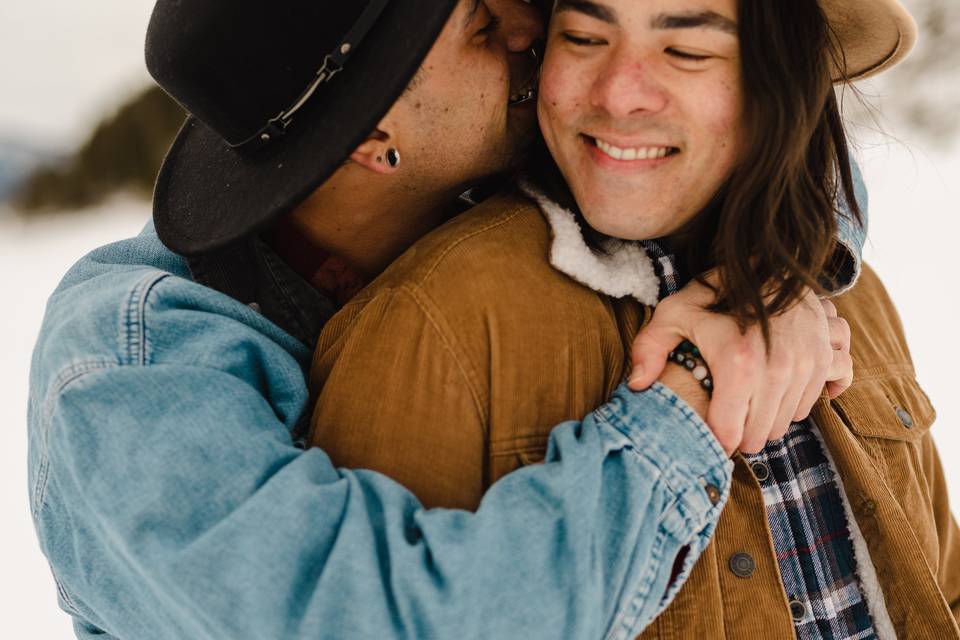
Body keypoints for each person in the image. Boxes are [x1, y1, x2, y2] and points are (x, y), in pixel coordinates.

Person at [28, 0, 860, 638]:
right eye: (479, 26)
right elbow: (398, 621)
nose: (531, 24)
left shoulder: (461, 166)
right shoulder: (128, 375)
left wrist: (772, 278)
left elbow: (762, 129)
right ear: (371, 133)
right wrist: (690, 399)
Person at [307, 0, 960, 637]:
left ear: (779, 81)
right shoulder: (433, 320)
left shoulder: (843, 295)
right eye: (585, 37)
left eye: (686, 50)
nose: (619, 95)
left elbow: (940, 584)